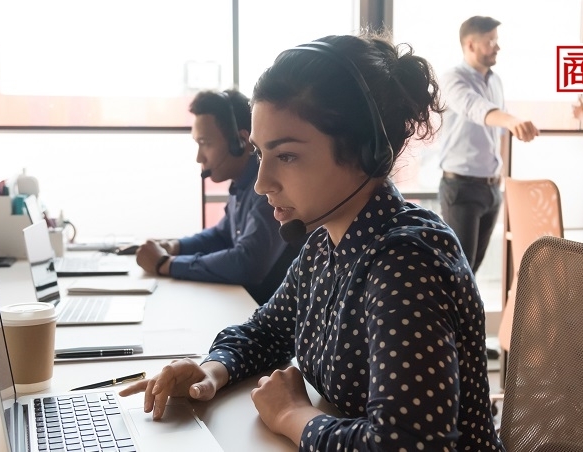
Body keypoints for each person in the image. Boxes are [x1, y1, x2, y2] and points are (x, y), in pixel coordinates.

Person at [121, 33, 504, 451]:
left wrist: (292, 416)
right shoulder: (324, 243)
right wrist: (212, 370)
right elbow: (266, 331)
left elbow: (408, 443)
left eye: (285, 155)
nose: (263, 182)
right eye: (259, 154)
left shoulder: (407, 261)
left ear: (365, 150)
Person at [135, 89, 300, 305]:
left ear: (240, 142)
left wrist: (167, 264)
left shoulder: (267, 191)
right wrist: (175, 246)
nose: (199, 157)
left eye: (206, 143)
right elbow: (221, 235)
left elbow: (247, 263)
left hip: (270, 321)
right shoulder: (240, 186)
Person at [438, 16, 539, 273]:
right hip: (461, 187)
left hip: (491, 188)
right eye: (490, 41)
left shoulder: (495, 81)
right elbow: (476, 108)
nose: (497, 47)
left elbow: (499, 131)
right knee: (458, 271)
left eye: (496, 40)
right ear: (470, 45)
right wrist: (512, 120)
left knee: (474, 270)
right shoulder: (453, 78)